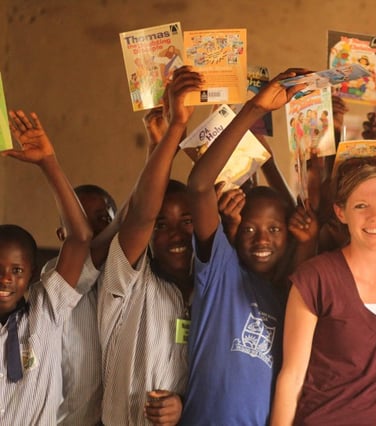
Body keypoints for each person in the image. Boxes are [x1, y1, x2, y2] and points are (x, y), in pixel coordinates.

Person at [181, 69, 316, 425]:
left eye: (274, 229)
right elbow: (198, 187)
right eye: (250, 228)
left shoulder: (288, 296)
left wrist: (307, 242)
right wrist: (253, 110)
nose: (261, 239)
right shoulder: (221, 274)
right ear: (234, 231)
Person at [271, 155, 376, 425]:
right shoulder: (316, 277)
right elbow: (291, 378)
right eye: (361, 205)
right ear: (341, 212)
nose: (375, 216)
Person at [97, 66, 202, 425]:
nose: (176, 234)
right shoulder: (126, 284)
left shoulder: (208, 293)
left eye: (187, 221)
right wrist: (173, 132)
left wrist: (182, 405)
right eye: (162, 225)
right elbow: (141, 212)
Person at [1, 109, 92, 424]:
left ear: (31, 274)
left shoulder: (46, 311)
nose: (5, 279)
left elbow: (80, 238)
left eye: (17, 271)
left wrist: (47, 162)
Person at [41, 184, 118, 426]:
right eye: (79, 221)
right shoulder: (54, 274)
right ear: (62, 234)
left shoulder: (126, 278)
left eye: (103, 219)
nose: (91, 229)